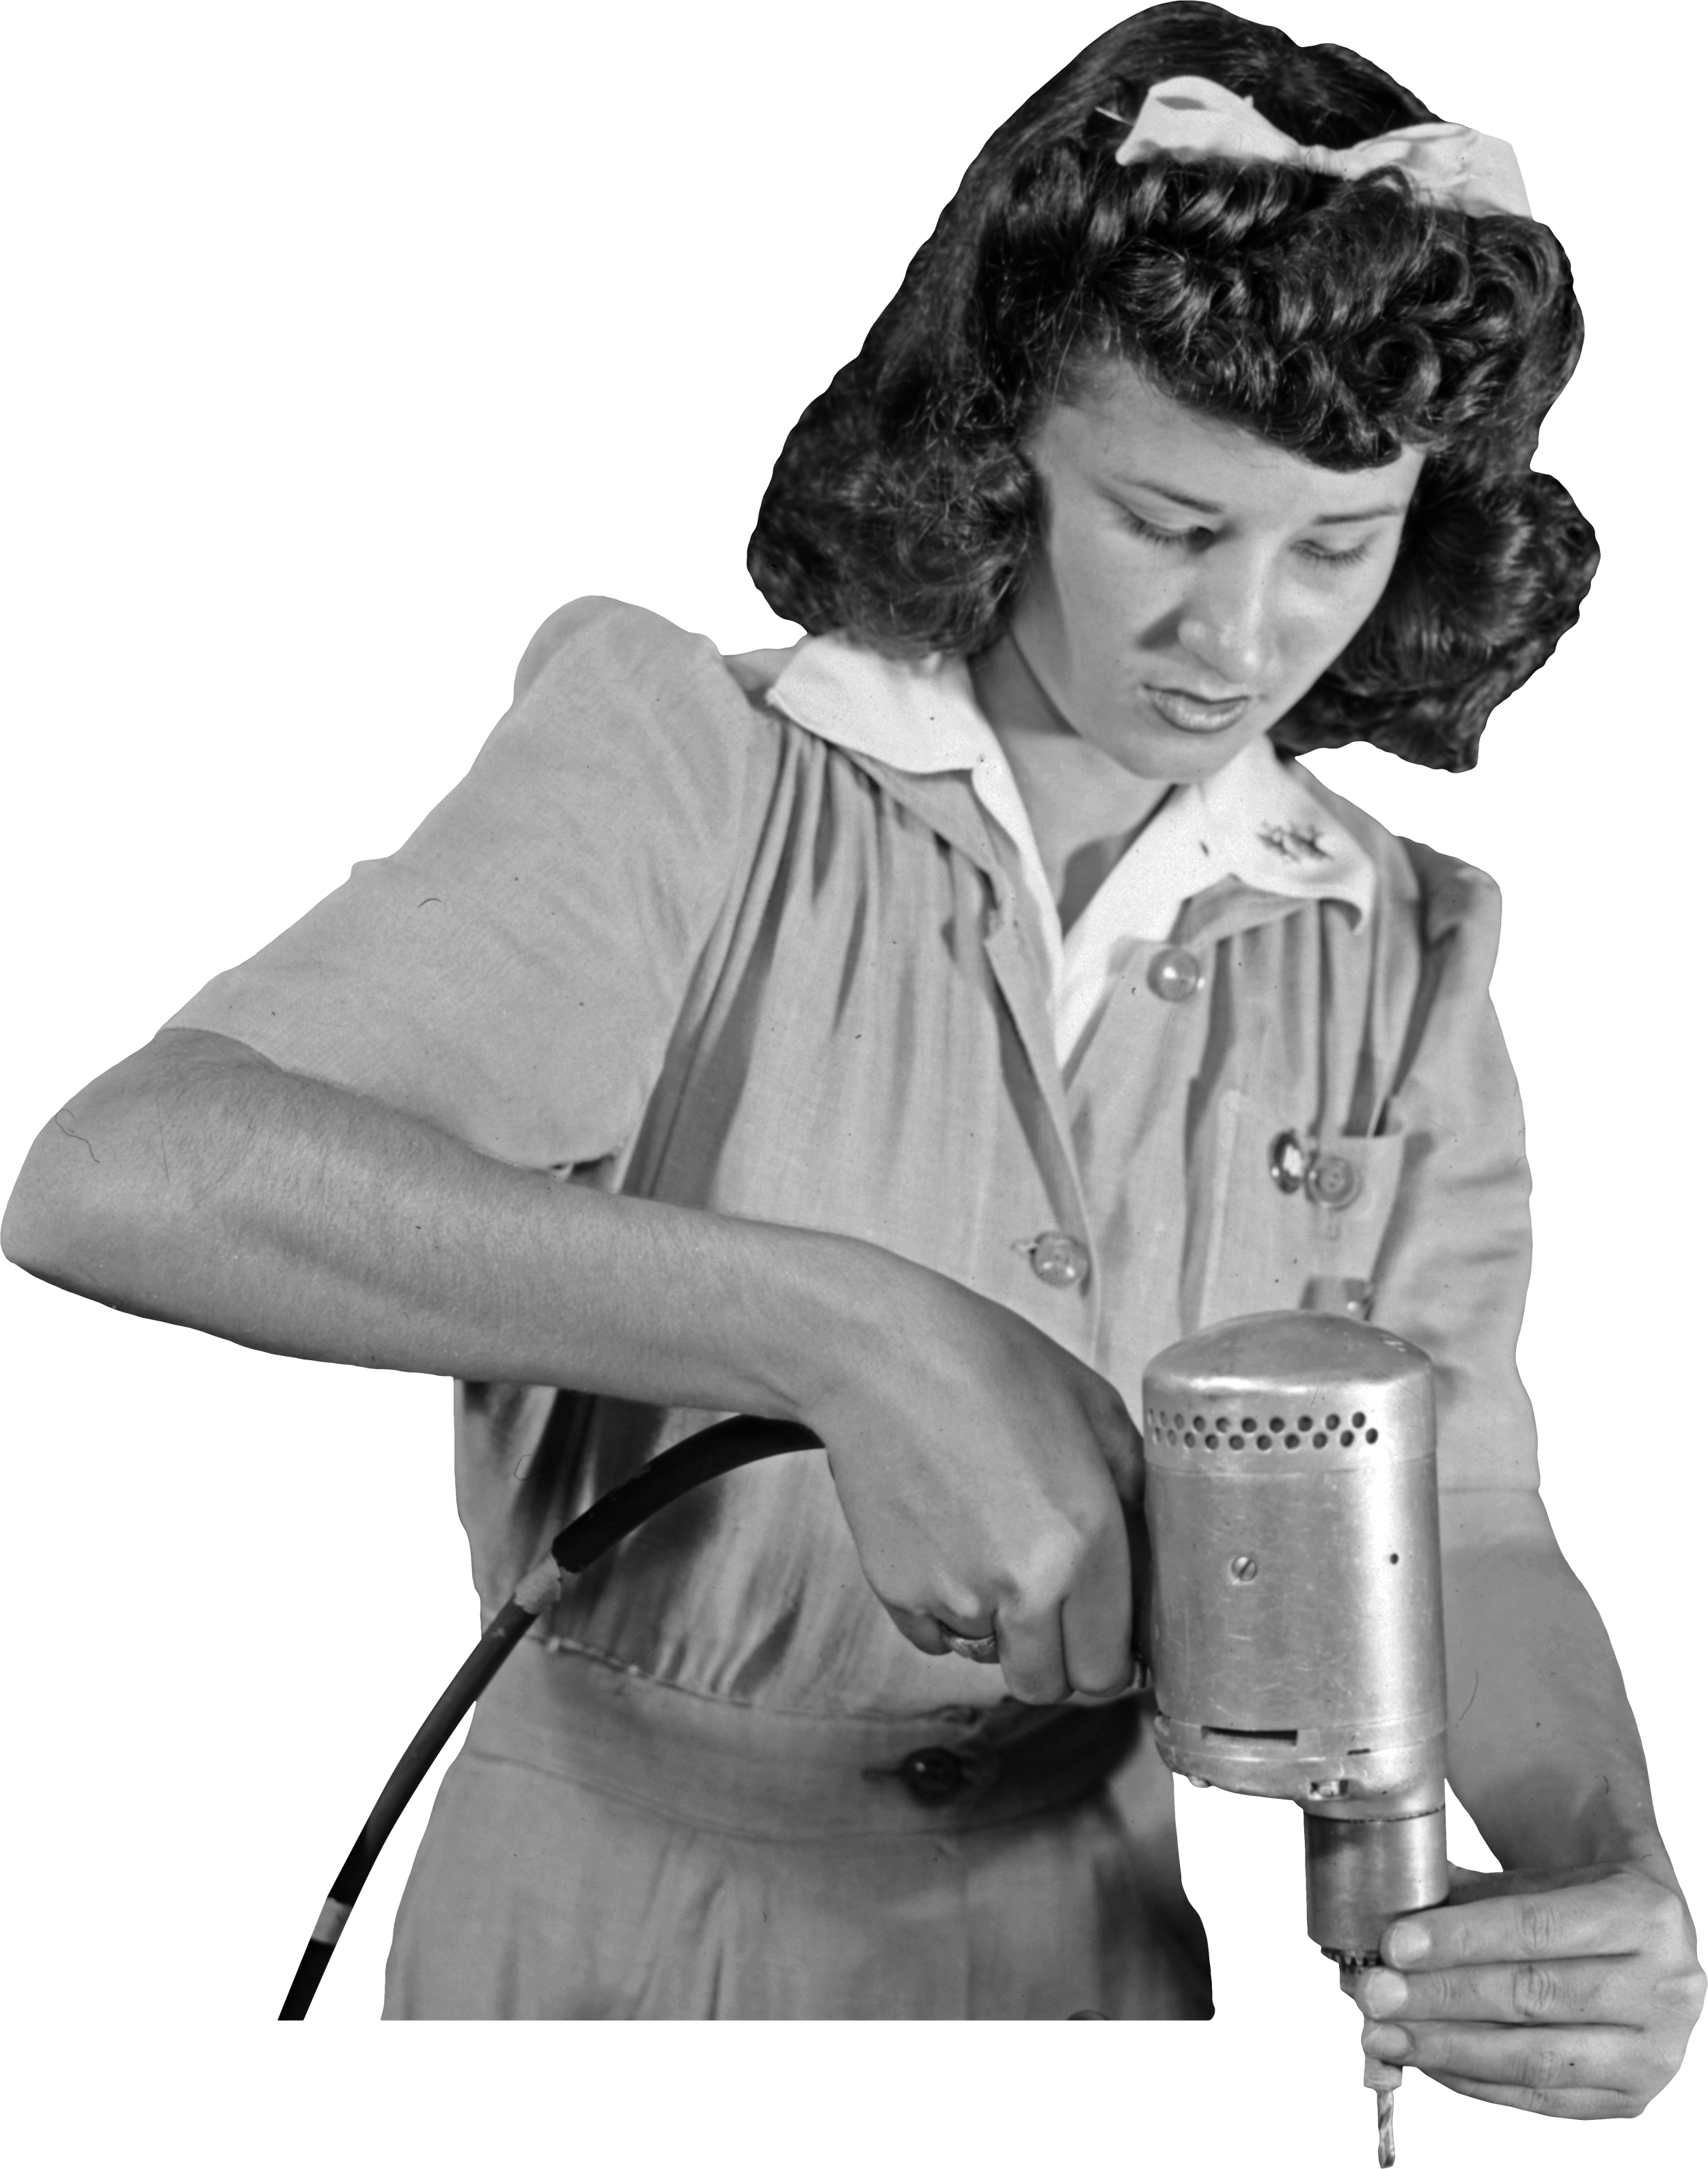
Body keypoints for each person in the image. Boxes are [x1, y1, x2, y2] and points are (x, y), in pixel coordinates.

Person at [3, 0, 1702, 2110]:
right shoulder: (690, 750)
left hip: (1106, 1961)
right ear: (1000, 450)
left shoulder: (1399, 935)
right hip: (611, 1952)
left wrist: (1605, 1875)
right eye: (1168, 527)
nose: (1240, 638)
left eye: (1330, 548)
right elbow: (119, 1179)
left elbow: (1467, 1526)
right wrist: (848, 1334)